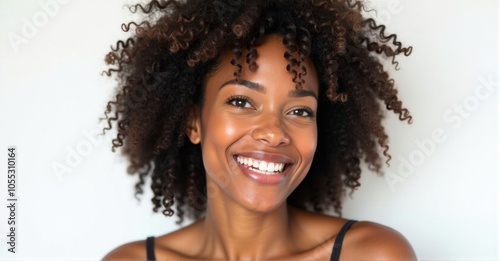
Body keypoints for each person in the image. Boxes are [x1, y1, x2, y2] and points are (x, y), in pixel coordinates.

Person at [101, 0, 416, 260]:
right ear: (193, 122)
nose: (274, 132)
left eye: (299, 110)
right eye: (241, 101)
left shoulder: (371, 254)